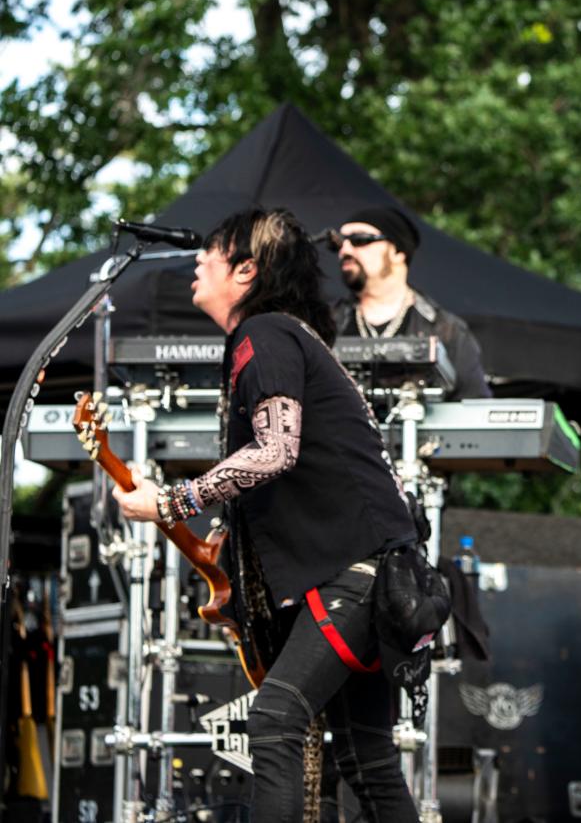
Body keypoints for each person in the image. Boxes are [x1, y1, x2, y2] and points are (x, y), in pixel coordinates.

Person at [112, 208, 420, 821]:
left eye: (211, 252)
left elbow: (276, 450)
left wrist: (171, 502)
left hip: (354, 574)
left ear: (247, 270)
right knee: (367, 758)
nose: (197, 262)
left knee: (275, 719)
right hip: (373, 572)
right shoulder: (285, 338)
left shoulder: (266, 334)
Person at [332, 205, 491, 399]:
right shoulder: (325, 323)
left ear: (398, 252)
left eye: (360, 240)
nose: (345, 250)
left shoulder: (445, 329)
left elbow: (475, 409)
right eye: (340, 243)